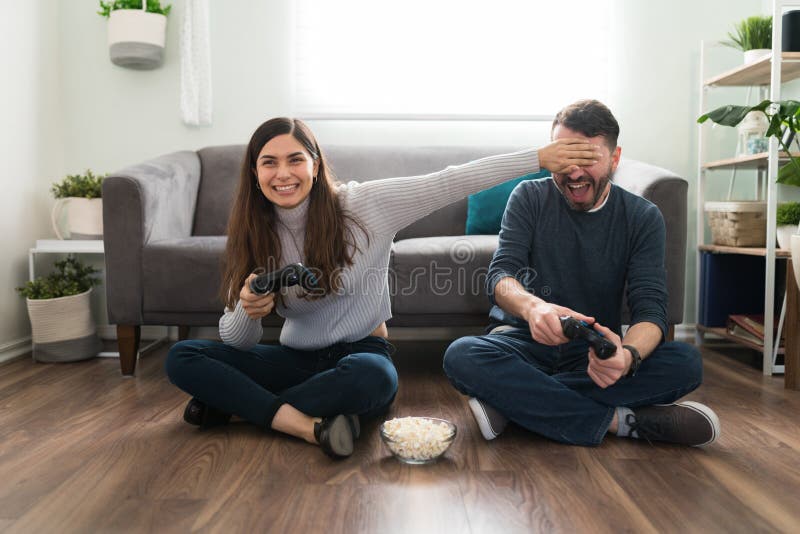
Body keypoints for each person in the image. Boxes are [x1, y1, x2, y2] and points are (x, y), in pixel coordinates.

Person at [165, 117, 600, 458]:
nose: (284, 173)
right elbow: (237, 341)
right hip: (293, 359)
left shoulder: (365, 206)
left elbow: (452, 180)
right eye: (269, 162)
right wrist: (247, 308)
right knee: (184, 356)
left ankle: (236, 407)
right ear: (255, 172)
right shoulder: (252, 232)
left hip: (361, 355)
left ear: (315, 164)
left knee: (372, 380)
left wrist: (539, 157)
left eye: (295, 159)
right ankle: (305, 424)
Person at [443, 100, 720, 448]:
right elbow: (501, 276)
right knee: (461, 355)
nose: (574, 172)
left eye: (588, 158)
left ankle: (512, 404)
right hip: (523, 342)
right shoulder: (527, 196)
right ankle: (621, 422)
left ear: (615, 159)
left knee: (686, 362)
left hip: (591, 353)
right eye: (563, 157)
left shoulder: (642, 216)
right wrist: (534, 309)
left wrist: (628, 355)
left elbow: (651, 310)